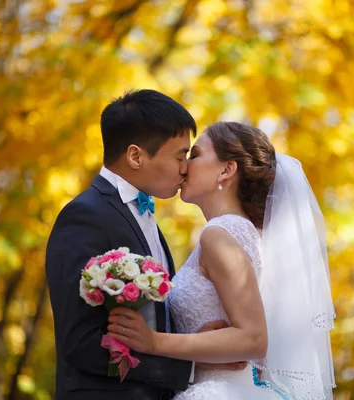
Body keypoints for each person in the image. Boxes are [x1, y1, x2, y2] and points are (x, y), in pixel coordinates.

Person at [108, 122, 336, 399]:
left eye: (195, 155)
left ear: (226, 170)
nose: (184, 166)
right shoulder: (243, 233)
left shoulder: (218, 235)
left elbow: (253, 339)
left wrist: (155, 341)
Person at [45, 90, 244, 400]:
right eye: (180, 155)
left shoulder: (144, 216)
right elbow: (81, 342)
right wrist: (189, 365)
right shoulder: (85, 216)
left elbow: (148, 323)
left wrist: (189, 341)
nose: (185, 168)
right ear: (135, 156)